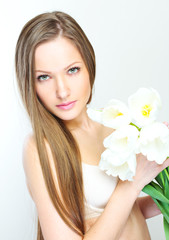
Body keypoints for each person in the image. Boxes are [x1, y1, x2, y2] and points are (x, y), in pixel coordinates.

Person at [15, 11, 169, 240]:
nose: (62, 91)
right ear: (30, 83)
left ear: (89, 65)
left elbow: (128, 213)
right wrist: (134, 182)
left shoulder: (112, 125)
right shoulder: (39, 147)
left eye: (72, 70)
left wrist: (161, 196)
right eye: (44, 77)